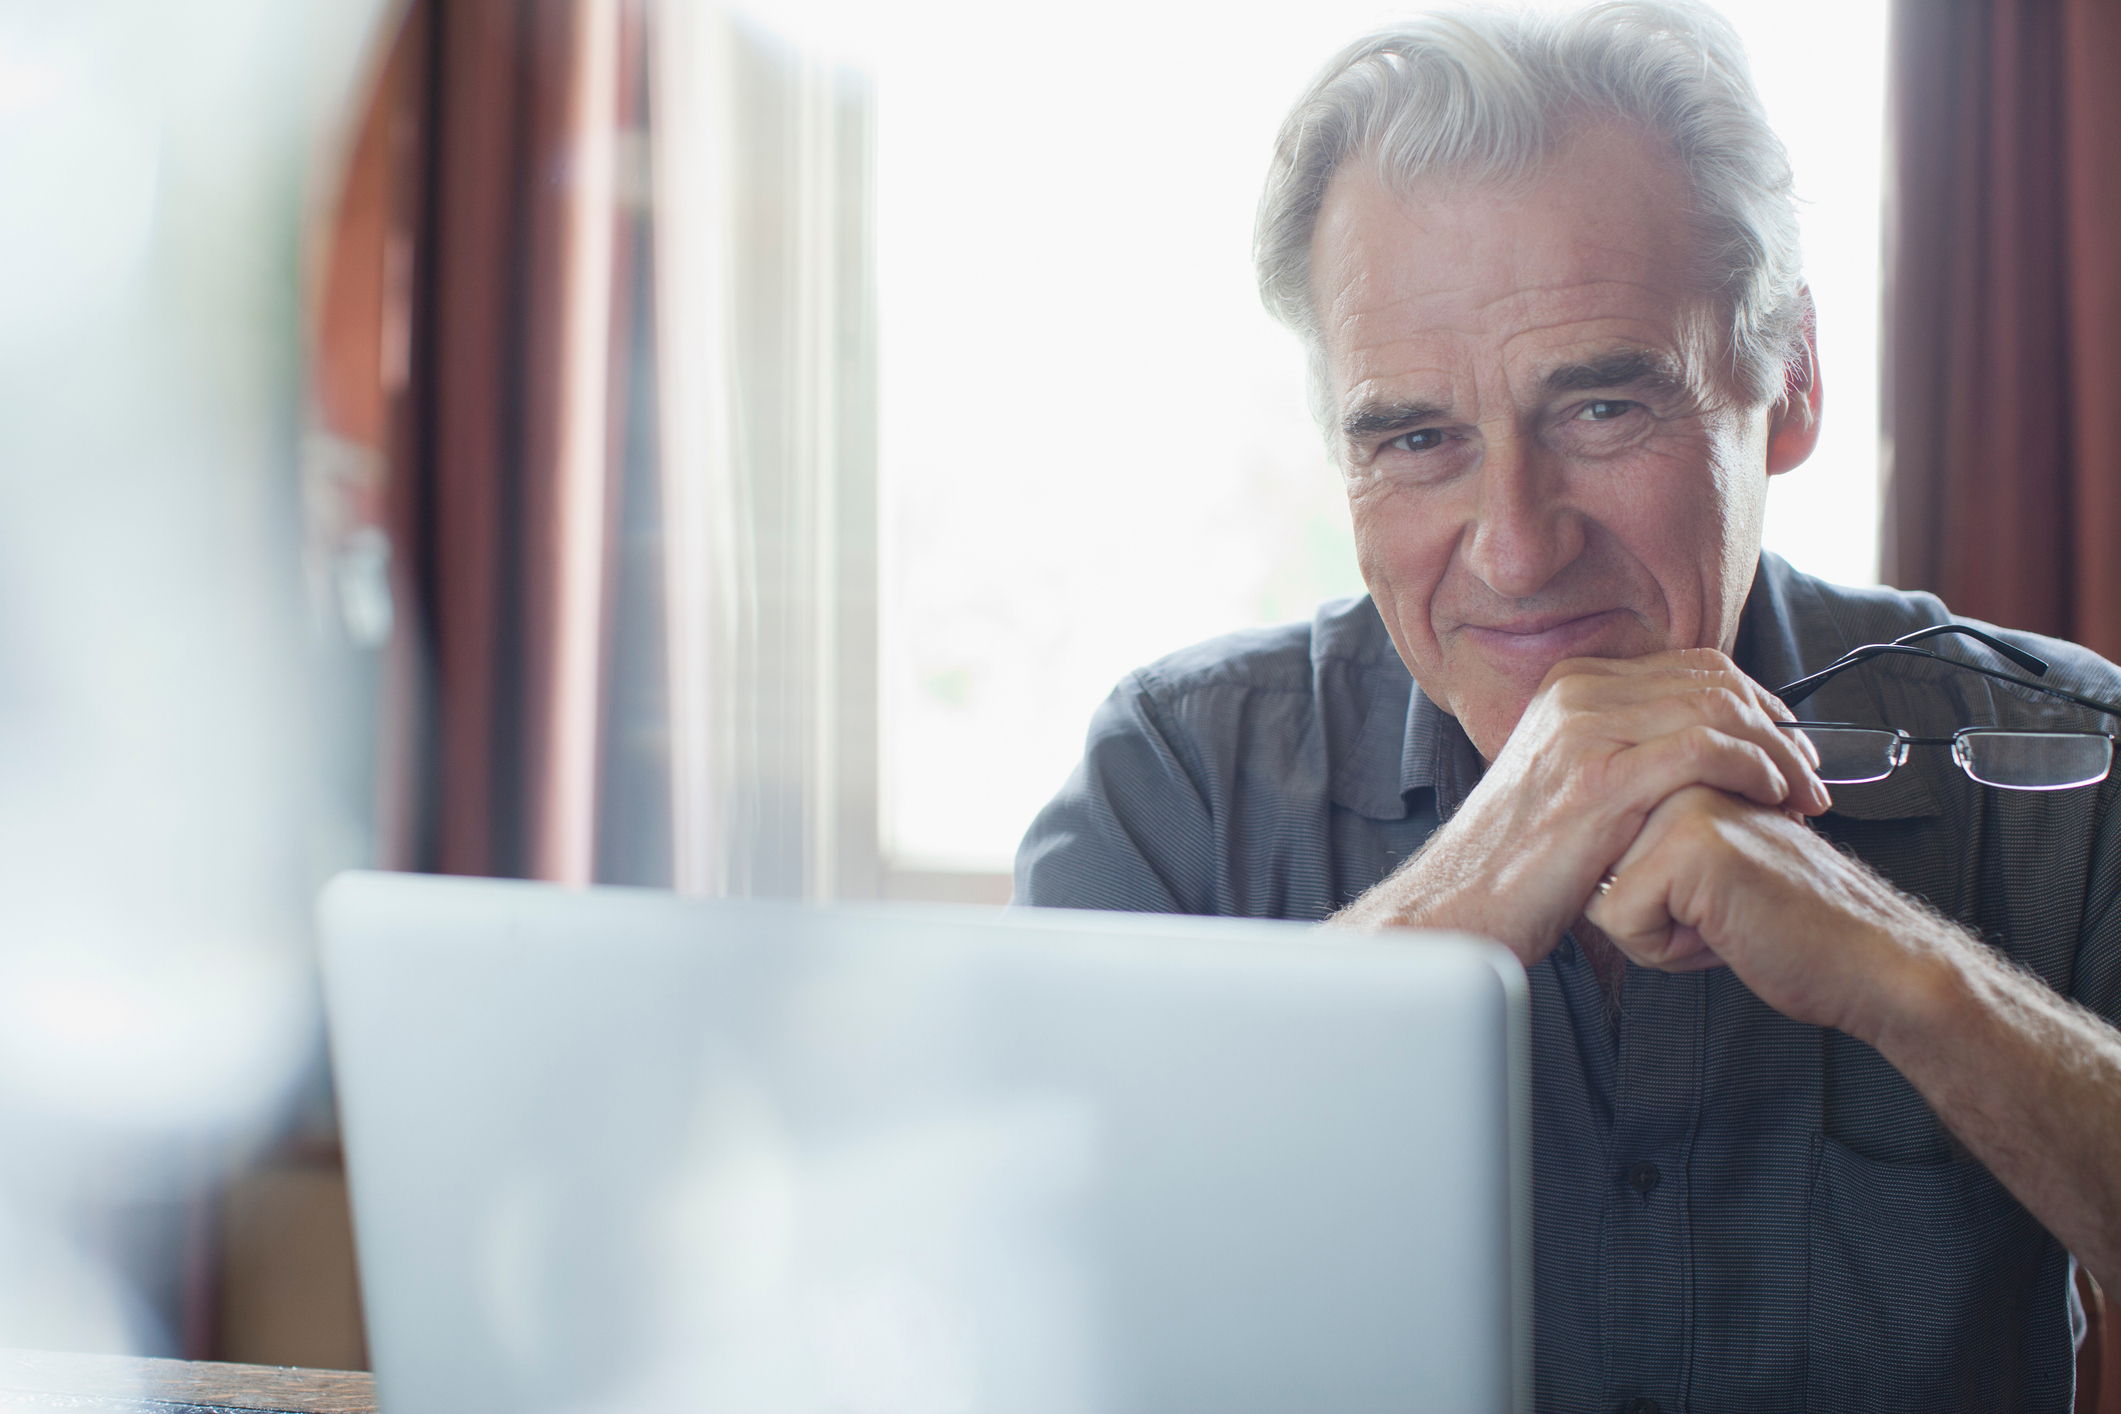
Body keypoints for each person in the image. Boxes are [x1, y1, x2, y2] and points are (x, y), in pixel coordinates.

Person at [1014, 3, 2121, 1409]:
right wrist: (1467, 889)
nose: (1515, 547)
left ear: (1784, 382)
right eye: (1418, 439)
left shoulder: (2061, 761)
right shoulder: (1172, 782)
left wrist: (1910, 975)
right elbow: (1034, 1306)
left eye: (1600, 411)